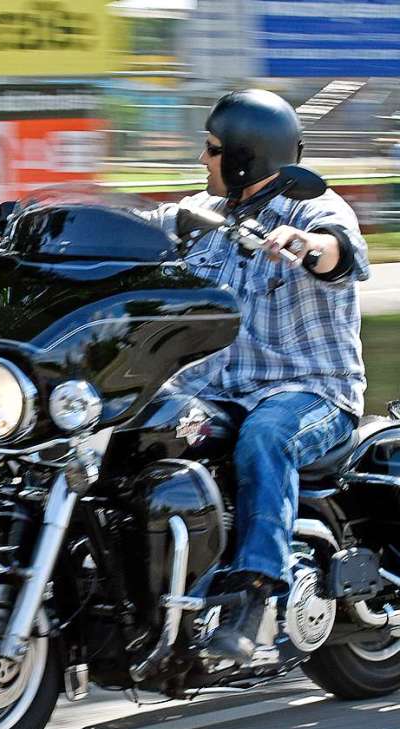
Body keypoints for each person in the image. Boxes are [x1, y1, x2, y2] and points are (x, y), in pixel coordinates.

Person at [153, 89, 370, 663]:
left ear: (246, 157)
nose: (203, 160)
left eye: (213, 149)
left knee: (266, 437)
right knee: (144, 425)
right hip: (218, 392)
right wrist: (44, 225)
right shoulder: (206, 214)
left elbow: (340, 252)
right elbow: (137, 229)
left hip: (311, 393)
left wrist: (303, 246)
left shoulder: (313, 210)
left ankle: (255, 592)